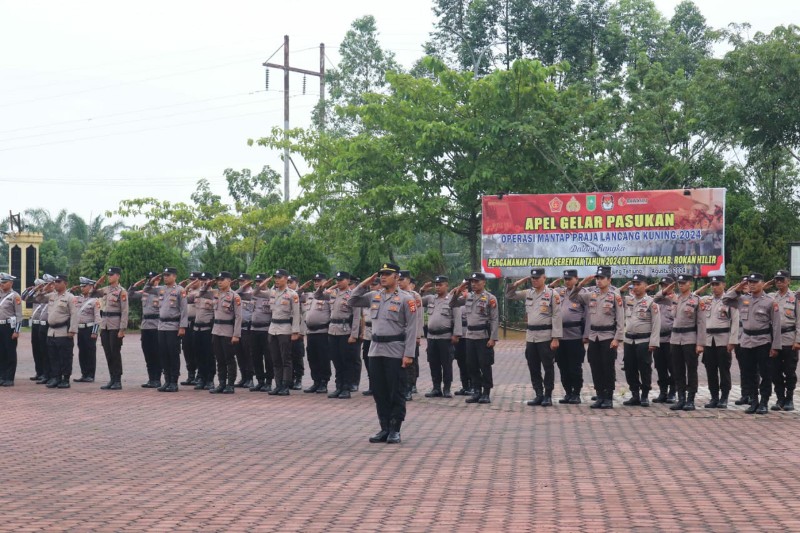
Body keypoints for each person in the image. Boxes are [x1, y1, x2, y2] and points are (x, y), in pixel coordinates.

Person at [349, 263, 417, 444]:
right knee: (379, 392)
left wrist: (409, 354)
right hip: (375, 350)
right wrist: (365, 283)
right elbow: (352, 301)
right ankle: (384, 427)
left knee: (396, 391)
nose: (383, 277)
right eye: (381, 274)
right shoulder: (374, 295)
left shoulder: (407, 299)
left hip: (395, 350)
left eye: (387, 274)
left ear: (397, 277)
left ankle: (395, 429)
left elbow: (412, 328)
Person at [723, 273, 781, 414]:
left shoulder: (770, 301)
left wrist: (775, 346)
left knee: (765, 373)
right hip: (746, 341)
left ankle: (764, 402)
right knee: (749, 373)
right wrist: (739, 288)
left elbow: (776, 326)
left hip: (763, 341)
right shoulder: (743, 299)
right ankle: (754, 401)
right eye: (750, 282)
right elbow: (726, 300)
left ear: (762, 283)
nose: (752, 284)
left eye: (755, 282)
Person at [507, 268, 562, 407]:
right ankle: (538, 394)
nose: (535, 280)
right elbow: (509, 295)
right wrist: (518, 283)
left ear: (544, 278)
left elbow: (557, 316)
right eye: (533, 278)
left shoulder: (552, 294)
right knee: (533, 366)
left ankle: (548, 395)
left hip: (545, 336)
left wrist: (556, 338)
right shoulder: (528, 293)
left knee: (548, 366)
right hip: (531, 337)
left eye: (537, 278)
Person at [571, 266, 624, 409]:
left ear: (609, 280)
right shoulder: (591, 295)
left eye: (602, 278)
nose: (599, 281)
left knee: (608, 367)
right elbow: (573, 297)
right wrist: (581, 284)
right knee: (595, 366)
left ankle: (608, 397)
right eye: (597, 278)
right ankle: (600, 395)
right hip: (594, 336)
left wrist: (617, 338)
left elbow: (620, 319)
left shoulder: (615, 296)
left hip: (608, 336)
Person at [449, 272, 499, 405]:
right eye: (472, 282)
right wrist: (458, 291)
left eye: (477, 281)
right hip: (470, 336)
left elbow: (494, 319)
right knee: (471, 365)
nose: (474, 284)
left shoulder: (490, 298)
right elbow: (452, 304)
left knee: (485, 365)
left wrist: (493, 338)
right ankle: (476, 391)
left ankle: (486, 392)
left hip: (483, 336)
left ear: (484, 282)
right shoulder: (468, 297)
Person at [314, 271, 360, 399]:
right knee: (336, 360)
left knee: (346, 361)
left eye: (341, 280)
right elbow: (318, 296)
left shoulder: (352, 295)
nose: (338, 282)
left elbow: (357, 317)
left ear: (348, 281)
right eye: (337, 280)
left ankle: (346, 388)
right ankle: (338, 386)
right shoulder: (333, 293)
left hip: (345, 331)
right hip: (333, 330)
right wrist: (323, 287)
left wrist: (354, 335)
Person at [695, 275, 738, 408]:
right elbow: (692, 297)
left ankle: (724, 397)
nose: (714, 287)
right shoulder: (706, 300)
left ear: (724, 285)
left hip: (723, 339)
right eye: (712, 285)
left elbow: (735, 322)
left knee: (724, 370)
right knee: (710, 370)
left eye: (717, 284)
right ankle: (714, 397)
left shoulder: (730, 301)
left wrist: (732, 341)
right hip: (708, 340)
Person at [143, 268, 189, 392]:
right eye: (164, 275)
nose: (165, 277)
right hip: (161, 325)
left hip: (173, 326)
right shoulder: (161, 289)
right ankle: (167, 380)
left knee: (173, 354)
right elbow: (147, 289)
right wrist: (151, 280)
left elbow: (184, 310)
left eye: (168, 275)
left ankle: (173, 381)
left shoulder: (180, 290)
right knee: (163, 354)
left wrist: (182, 327)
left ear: (174, 276)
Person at [419, 275, 462, 398]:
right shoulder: (430, 298)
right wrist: (422, 290)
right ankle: (436, 388)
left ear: (446, 285)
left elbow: (457, 317)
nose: (437, 287)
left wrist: (456, 334)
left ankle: (447, 389)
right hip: (432, 337)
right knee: (434, 363)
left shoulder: (452, 300)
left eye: (440, 285)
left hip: (445, 337)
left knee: (446, 364)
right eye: (436, 285)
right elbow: (416, 301)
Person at [663, 274, 702, 411]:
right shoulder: (675, 298)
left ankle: (690, 399)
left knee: (691, 370)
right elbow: (657, 298)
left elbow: (701, 323)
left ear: (690, 283)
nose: (681, 285)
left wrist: (700, 343)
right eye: (679, 283)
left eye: (684, 283)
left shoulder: (696, 300)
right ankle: (681, 399)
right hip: (675, 339)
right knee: (677, 370)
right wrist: (668, 288)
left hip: (690, 338)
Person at [621, 274, 661, 407]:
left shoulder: (651, 302)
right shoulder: (628, 300)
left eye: (638, 284)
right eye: (634, 284)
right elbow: (616, 295)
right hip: (629, 340)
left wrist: (653, 342)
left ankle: (644, 395)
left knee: (644, 368)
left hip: (644, 341)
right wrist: (624, 287)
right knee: (629, 368)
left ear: (645, 286)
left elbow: (656, 324)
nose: (635, 287)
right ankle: (635, 395)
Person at [34, 275, 79, 388]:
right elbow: (38, 299)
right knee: (53, 356)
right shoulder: (52, 296)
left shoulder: (70, 297)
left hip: (63, 331)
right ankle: (56, 378)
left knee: (65, 357)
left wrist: (72, 330)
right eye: (55, 282)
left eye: (59, 281)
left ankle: (65, 379)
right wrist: (44, 289)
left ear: (65, 283)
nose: (56, 284)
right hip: (51, 331)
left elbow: (74, 314)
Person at [549, 269, 586, 404]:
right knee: (562, 366)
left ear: (577, 279)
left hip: (575, 336)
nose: (567, 281)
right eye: (565, 279)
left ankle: (576, 393)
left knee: (574, 367)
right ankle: (568, 392)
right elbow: (545, 292)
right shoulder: (559, 292)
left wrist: (586, 334)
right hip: (560, 336)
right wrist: (553, 284)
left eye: (570, 279)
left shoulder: (583, 293)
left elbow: (588, 315)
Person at [765, 270, 798, 411]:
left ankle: (789, 398)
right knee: (775, 371)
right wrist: (765, 285)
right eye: (776, 280)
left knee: (789, 371)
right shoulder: (772, 297)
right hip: (774, 340)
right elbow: (757, 294)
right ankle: (780, 398)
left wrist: (798, 340)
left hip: (789, 338)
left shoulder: (795, 298)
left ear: (788, 281)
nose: (779, 282)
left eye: (782, 279)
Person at [265, 269, 301, 395]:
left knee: (286, 359)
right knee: (275, 359)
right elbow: (258, 291)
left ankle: (286, 386)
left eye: (279, 277)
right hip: (273, 328)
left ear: (286, 278)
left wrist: (295, 331)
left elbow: (296, 314)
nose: (276, 280)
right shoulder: (272, 292)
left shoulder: (292, 294)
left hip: (285, 329)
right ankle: (278, 385)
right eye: (275, 277)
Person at [206, 271, 242, 394]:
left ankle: (230, 384)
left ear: (229, 281)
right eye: (218, 280)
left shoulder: (234, 296)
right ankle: (221, 383)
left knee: (229, 359)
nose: (219, 282)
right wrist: (207, 284)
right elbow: (202, 292)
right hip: (216, 330)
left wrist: (236, 335)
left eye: (222, 279)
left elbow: (238, 317)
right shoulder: (216, 294)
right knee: (219, 359)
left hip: (228, 331)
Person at [93, 267, 129, 390]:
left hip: (115, 325)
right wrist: (97, 283)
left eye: (111, 275)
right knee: (108, 353)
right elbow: (92, 293)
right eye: (108, 275)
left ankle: (117, 380)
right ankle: (112, 378)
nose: (109, 277)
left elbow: (125, 311)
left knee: (115, 353)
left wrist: (122, 329)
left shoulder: (122, 291)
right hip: (105, 325)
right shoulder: (105, 289)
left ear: (118, 276)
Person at [129, 272, 163, 388]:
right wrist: (134, 285)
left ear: (158, 279)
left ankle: (157, 379)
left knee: (156, 353)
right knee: (147, 353)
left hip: (156, 325)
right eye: (149, 279)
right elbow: (130, 295)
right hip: (145, 326)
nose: (151, 281)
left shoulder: (161, 291)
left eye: (153, 279)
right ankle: (151, 378)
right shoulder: (145, 292)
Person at [300, 272, 332, 394]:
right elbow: (295, 295)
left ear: (325, 282)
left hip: (323, 332)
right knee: (312, 358)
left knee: (323, 358)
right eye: (315, 281)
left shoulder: (328, 295)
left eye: (319, 280)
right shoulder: (309, 295)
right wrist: (302, 287)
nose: (316, 283)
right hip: (310, 332)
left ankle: (324, 382)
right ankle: (316, 381)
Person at [187, 272, 216, 390]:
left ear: (211, 280)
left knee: (209, 355)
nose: (203, 281)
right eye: (201, 279)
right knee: (198, 354)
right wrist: (188, 286)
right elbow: (184, 298)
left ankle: (210, 379)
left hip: (208, 328)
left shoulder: (215, 294)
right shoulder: (197, 293)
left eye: (205, 279)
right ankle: (202, 378)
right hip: (196, 327)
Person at [651, 276, 677, 404]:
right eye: (662, 285)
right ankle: (663, 392)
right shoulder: (657, 300)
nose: (664, 287)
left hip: (671, 338)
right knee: (660, 367)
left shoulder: (677, 300)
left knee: (673, 367)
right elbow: (654, 298)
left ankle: (672, 392)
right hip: (658, 339)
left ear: (673, 286)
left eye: (667, 285)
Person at [398, 271, 423, 399]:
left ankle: (410, 386)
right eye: (398, 279)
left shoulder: (414, 296)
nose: (399, 282)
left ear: (408, 280)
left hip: (411, 334)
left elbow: (418, 317)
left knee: (411, 362)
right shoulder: (395, 294)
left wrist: (418, 335)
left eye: (402, 279)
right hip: (398, 334)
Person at [249, 273, 274, 392]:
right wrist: (259, 287)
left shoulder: (271, 293)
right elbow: (253, 293)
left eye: (261, 281)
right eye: (257, 282)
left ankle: (268, 381)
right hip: (254, 329)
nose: (259, 283)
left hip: (266, 329)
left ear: (266, 282)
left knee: (268, 357)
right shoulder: (254, 294)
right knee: (255, 356)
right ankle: (260, 381)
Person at [73, 277, 101, 383]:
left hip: (89, 329)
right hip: (80, 329)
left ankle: (90, 375)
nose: (82, 288)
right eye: (81, 286)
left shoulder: (95, 300)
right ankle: (84, 374)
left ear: (90, 287)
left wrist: (95, 331)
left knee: (90, 352)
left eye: (84, 286)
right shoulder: (78, 299)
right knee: (82, 352)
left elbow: (97, 317)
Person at [0, 273, 23, 386]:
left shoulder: (15, 296)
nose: (2, 284)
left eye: (4, 282)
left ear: (11, 283)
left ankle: (9, 377)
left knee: (10, 352)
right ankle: (2, 376)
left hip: (9, 327)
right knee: (1, 352)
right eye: (1, 282)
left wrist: (17, 331)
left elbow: (19, 315)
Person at [359, 276, 381, 395]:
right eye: (371, 285)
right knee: (367, 359)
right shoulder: (367, 298)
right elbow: (363, 317)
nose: (372, 287)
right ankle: (372, 385)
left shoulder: (380, 298)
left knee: (377, 360)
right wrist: (362, 332)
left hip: (377, 331)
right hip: (367, 332)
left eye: (375, 284)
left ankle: (378, 385)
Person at [22, 279, 46, 382]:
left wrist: (41, 290)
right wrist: (30, 289)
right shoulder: (34, 295)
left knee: (43, 349)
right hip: (35, 325)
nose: (38, 287)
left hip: (43, 324)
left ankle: (45, 373)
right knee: (36, 349)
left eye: (39, 285)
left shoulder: (45, 296)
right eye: (36, 285)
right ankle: (39, 372)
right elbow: (24, 298)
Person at [234, 273, 255, 389]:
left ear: (249, 281)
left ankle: (250, 378)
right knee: (239, 354)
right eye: (240, 281)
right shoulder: (237, 294)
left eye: (243, 281)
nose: (241, 282)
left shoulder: (253, 293)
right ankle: (243, 377)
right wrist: (241, 288)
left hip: (248, 327)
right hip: (237, 328)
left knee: (248, 354)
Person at [180, 272, 201, 386]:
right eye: (190, 280)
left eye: (194, 280)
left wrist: (185, 288)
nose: (192, 282)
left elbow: (184, 298)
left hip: (196, 323)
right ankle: (191, 374)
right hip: (186, 323)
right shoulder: (187, 292)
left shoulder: (201, 292)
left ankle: (199, 375)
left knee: (197, 349)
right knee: (187, 349)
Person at [288, 275, 306, 390]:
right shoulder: (286, 294)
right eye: (288, 282)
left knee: (297, 355)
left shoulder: (302, 296)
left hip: (297, 328)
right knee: (288, 355)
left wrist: (301, 332)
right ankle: (290, 378)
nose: (289, 284)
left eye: (291, 282)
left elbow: (304, 315)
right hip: (287, 328)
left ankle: (299, 379)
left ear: (297, 283)